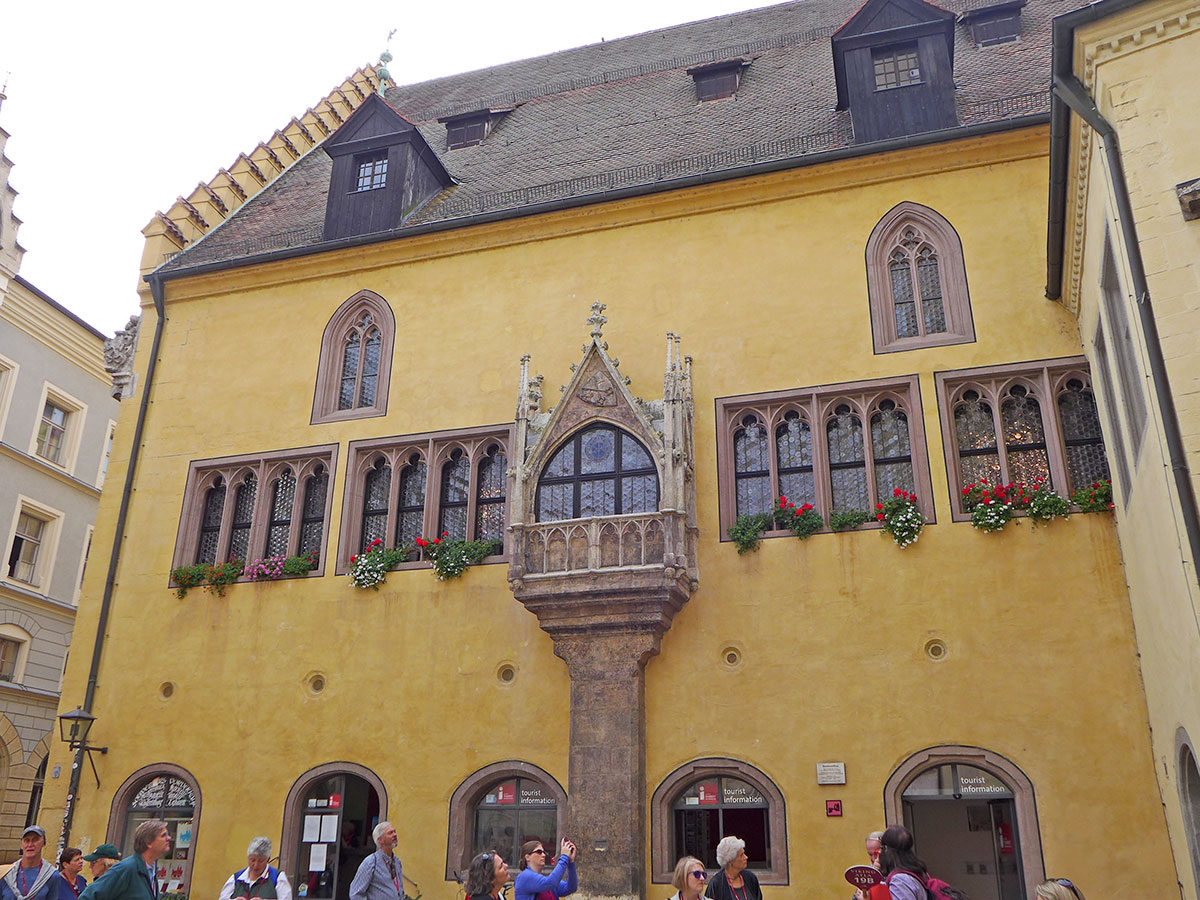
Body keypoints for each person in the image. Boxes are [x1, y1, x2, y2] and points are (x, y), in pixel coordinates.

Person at [78, 820, 171, 900]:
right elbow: (87, 897)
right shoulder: (126, 869)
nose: (169, 838)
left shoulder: (150, 870)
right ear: (148, 842)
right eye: (163, 835)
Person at [218, 838, 292, 900]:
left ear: (268, 859)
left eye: (261, 861)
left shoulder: (277, 877)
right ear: (247, 857)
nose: (256, 865)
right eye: (252, 860)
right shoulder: (236, 878)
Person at [1, 826, 58, 900]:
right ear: (21, 845)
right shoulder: (6, 873)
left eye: (35, 840)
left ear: (44, 843)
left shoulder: (52, 875)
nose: (30, 844)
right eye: (26, 840)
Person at [349, 822, 402, 900]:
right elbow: (355, 894)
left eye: (394, 831)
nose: (394, 835)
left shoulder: (397, 862)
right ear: (380, 840)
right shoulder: (370, 863)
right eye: (390, 833)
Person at [877, 826, 929, 900]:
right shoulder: (918, 871)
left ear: (886, 849)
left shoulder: (899, 880)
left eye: (881, 848)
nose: (879, 852)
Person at [853, 831, 886, 900]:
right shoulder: (867, 874)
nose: (873, 859)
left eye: (876, 854)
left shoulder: (896, 874)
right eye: (870, 855)